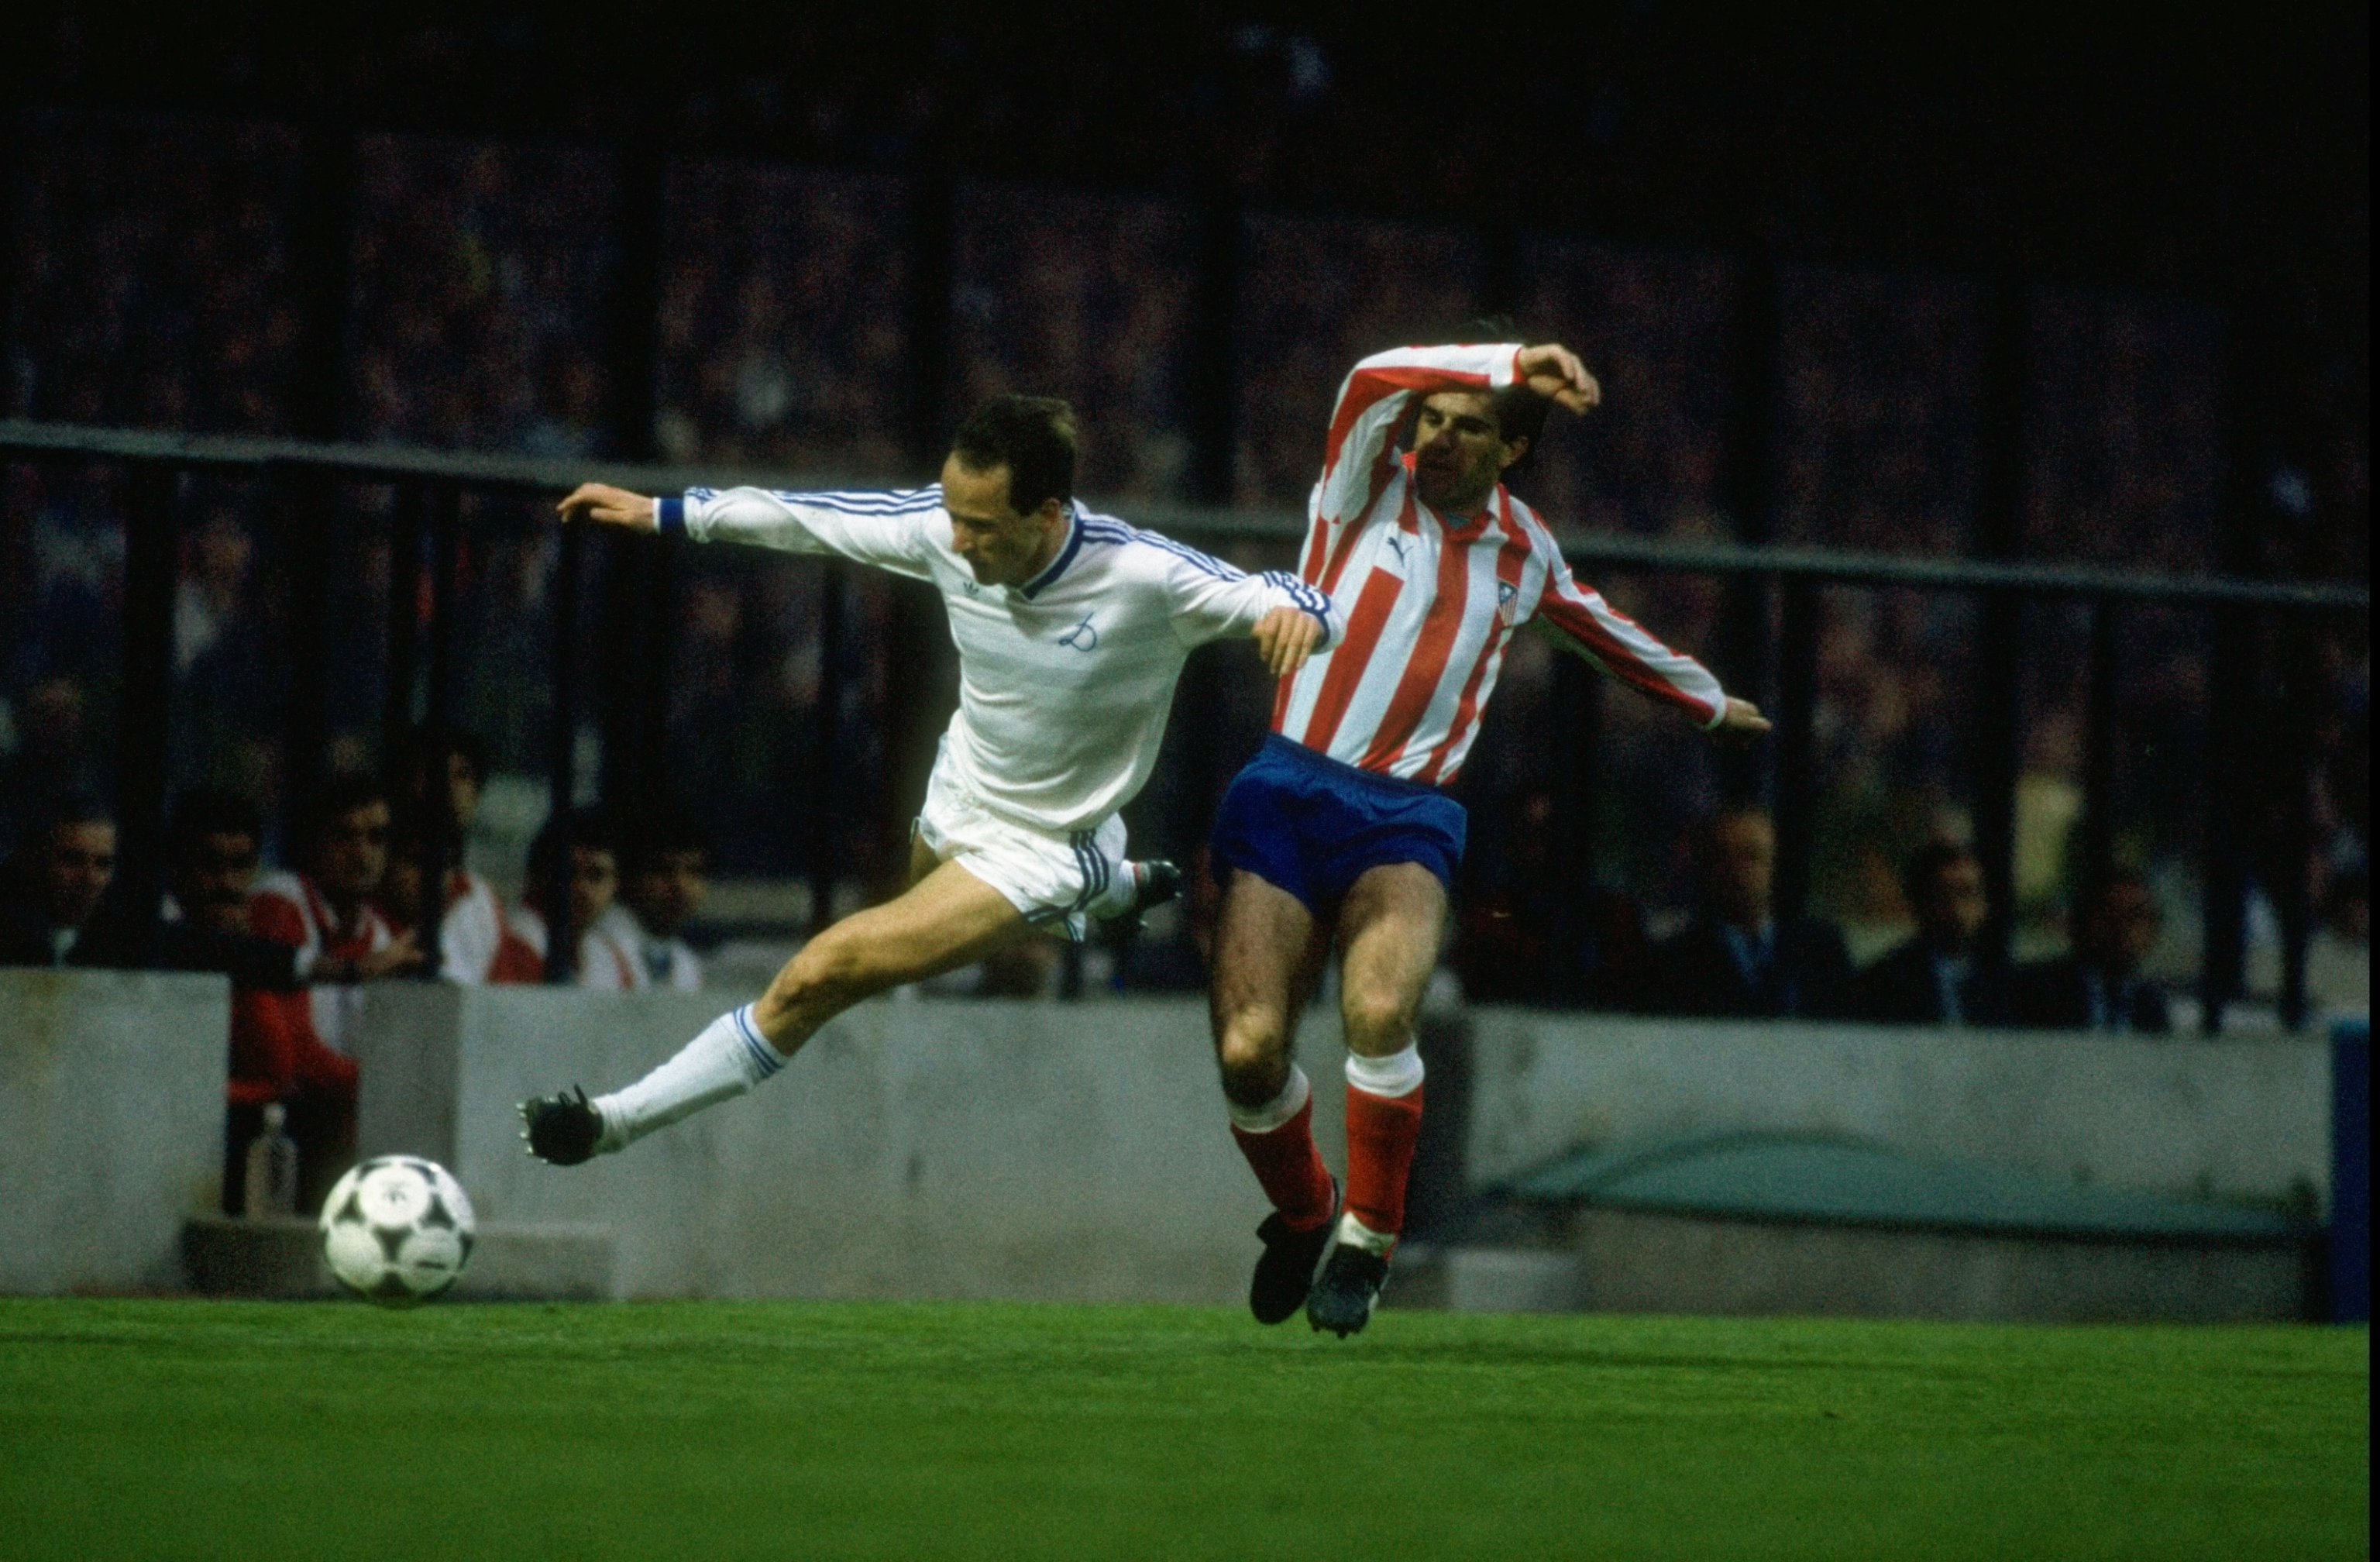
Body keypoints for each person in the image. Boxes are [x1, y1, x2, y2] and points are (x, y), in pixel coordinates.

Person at [518, 393, 1342, 1167]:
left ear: (1049, 516)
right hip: (961, 791)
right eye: (952, 516)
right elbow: (807, 518)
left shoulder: (1146, 579)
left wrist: (1298, 613)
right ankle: (1114, 888)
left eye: (981, 527)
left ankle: (608, 1123)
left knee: (824, 972)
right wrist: (665, 511)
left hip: (1041, 846)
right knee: (915, 908)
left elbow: (1288, 593)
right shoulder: (941, 531)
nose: (955, 542)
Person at [1205, 336, 1769, 1337]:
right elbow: (1366, 376)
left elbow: (1598, 626)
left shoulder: (1525, 551)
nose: (1438, 439)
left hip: (1407, 814)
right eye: (1432, 420)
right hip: (1289, 785)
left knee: (1380, 1010)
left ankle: (1370, 1238)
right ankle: (1304, 1211)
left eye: (1468, 427)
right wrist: (1506, 359)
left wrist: (1707, 702)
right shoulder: (1358, 485)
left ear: (1511, 450)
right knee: (1250, 1050)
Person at [232, 775, 408, 1213]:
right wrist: (384, 1086)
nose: (362, 852)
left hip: (336, 1125)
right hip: (266, 1124)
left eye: (376, 838)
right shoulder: (282, 902)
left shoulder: (380, 934)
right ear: (315, 843)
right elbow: (295, 1055)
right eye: (345, 836)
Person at [1649, 807, 1852, 1020]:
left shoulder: (1821, 950)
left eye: (1751, 856)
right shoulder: (1676, 962)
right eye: (1724, 856)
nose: (1738, 870)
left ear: (1774, 864)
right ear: (1706, 867)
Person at [1849, 841, 2014, 1026]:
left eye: (1967, 894)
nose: (1956, 909)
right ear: (1920, 905)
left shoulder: (2005, 983)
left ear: (1985, 905)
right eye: (1944, 897)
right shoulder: (1883, 984)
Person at [2010, 868, 2172, 1034]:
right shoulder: (2036, 991)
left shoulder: (2149, 1003)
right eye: (2109, 913)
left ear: (2153, 929)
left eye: (2136, 916)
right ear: (2080, 920)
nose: (2122, 927)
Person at [498, 807, 642, 988]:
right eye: (569, 873)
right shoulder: (515, 942)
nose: (582, 888)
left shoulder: (609, 958)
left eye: (596, 876)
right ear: (538, 876)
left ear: (616, 885)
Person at [600, 805, 711, 991]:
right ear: (629, 878)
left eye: (694, 871)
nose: (680, 886)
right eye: (664, 870)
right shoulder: (598, 948)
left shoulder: (686, 963)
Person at [0, 796, 117, 966]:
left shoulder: (125, 944)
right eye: (73, 861)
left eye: (103, 864)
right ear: (41, 861)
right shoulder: (8, 935)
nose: (89, 878)